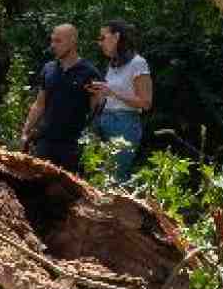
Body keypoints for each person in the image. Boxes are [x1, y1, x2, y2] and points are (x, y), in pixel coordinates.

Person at [20, 23, 103, 174]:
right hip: (45, 141)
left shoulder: (89, 72)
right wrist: (26, 132)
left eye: (58, 41)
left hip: (72, 145)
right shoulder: (49, 69)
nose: (53, 45)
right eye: (52, 41)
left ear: (72, 42)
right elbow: (39, 104)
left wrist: (100, 98)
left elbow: (95, 111)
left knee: (67, 194)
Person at [85, 20, 152, 182]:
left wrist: (112, 92)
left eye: (102, 37)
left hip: (124, 124)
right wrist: (96, 94)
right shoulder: (113, 64)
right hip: (103, 120)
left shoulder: (138, 63)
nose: (99, 42)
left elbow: (145, 102)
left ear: (116, 37)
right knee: (98, 176)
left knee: (116, 178)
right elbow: (109, 97)